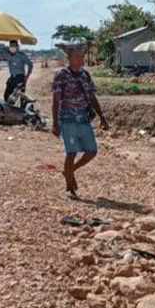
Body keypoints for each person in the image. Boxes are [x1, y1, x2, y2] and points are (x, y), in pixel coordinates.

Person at [51, 45, 108, 199]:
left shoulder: (85, 75)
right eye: (76, 56)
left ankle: (70, 171)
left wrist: (102, 116)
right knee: (72, 152)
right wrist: (55, 123)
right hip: (68, 116)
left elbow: (92, 97)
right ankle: (69, 187)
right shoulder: (61, 74)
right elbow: (56, 100)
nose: (80, 59)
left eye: (81, 56)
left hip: (83, 116)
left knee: (91, 151)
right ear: (69, 58)